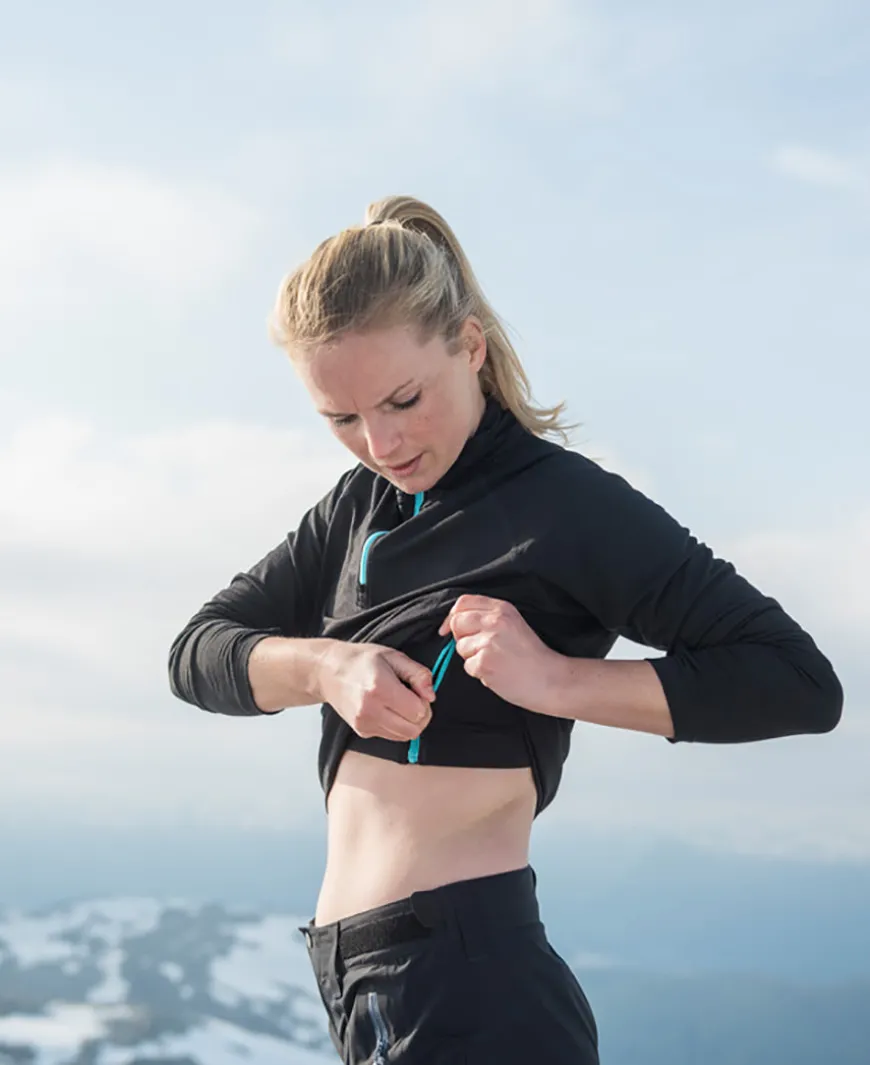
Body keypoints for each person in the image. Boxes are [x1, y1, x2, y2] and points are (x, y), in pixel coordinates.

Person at [168, 195, 844, 1064]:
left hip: (474, 993)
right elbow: (197, 651)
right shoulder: (357, 508)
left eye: (403, 399)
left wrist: (557, 680)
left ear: (471, 346)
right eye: (342, 419)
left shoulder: (563, 503)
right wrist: (326, 668)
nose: (381, 441)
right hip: (362, 989)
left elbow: (798, 681)